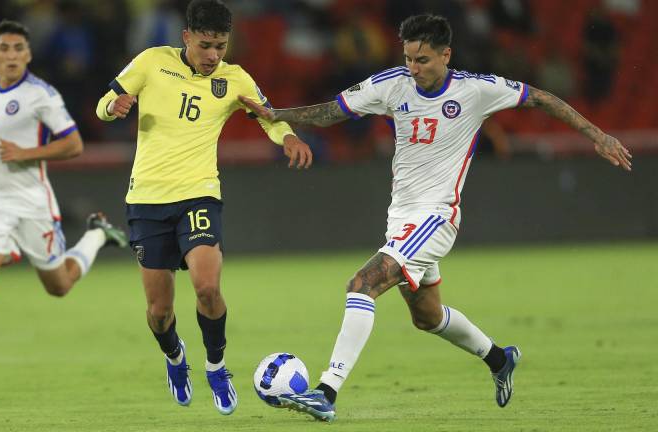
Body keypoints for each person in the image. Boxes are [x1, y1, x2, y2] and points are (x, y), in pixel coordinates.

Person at [239, 14, 631, 422]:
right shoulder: (392, 84)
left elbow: (544, 99)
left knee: (362, 284)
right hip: (401, 218)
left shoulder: (477, 90)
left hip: (436, 217)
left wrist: (597, 136)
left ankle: (326, 391)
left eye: (423, 59)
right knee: (427, 316)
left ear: (446, 54)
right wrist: (276, 114)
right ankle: (499, 359)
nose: (414, 67)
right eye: (408, 58)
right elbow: (332, 111)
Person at [95, 0, 312, 416]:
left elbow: (267, 116)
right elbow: (105, 104)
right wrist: (113, 107)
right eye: (206, 45)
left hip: (199, 194)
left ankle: (216, 366)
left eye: (222, 46)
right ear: (187, 37)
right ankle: (175, 358)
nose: (214, 55)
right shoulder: (152, 62)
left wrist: (286, 137)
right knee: (159, 312)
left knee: (208, 287)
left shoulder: (234, 79)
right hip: (147, 200)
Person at [0, 20, 127, 391]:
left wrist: (28, 153)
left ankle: (97, 235)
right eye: (5, 48)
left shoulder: (42, 95)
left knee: (60, 285)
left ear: (29, 55)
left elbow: (74, 144)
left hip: (32, 204)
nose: (12, 55)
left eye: (19, 48)